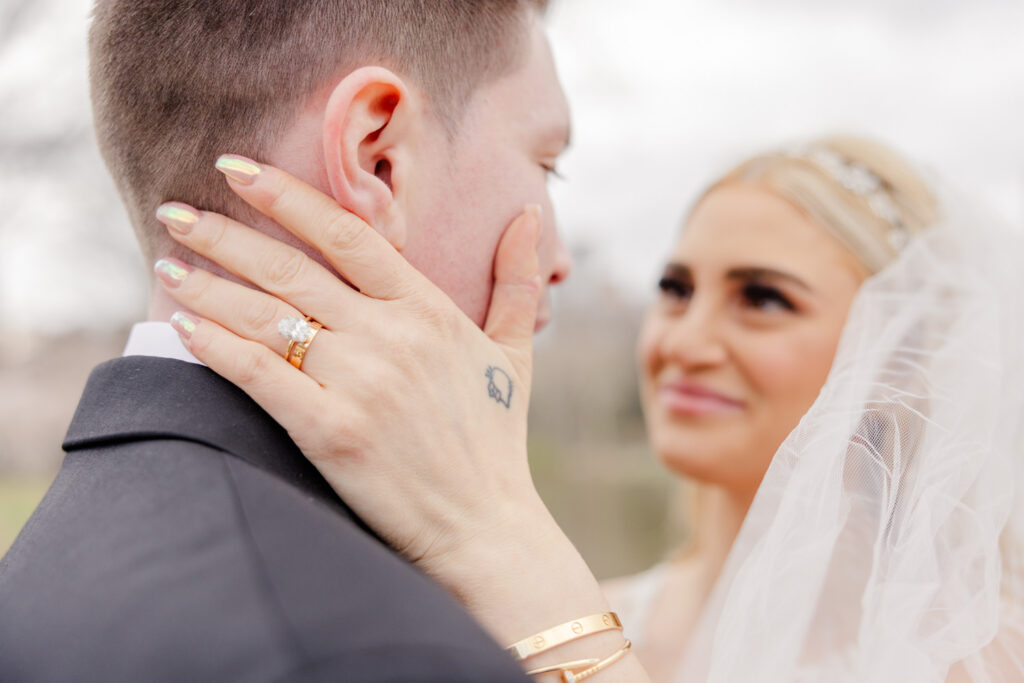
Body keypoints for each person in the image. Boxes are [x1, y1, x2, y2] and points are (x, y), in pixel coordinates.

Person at [156, 136, 1024, 681]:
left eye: (763, 298)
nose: (684, 339)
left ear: (898, 356)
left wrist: (506, 550)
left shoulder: (978, 653)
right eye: (676, 289)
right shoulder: (603, 606)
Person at [0, 1, 573, 681]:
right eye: (546, 164)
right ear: (376, 156)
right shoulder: (383, 650)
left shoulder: (45, 558)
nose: (560, 257)